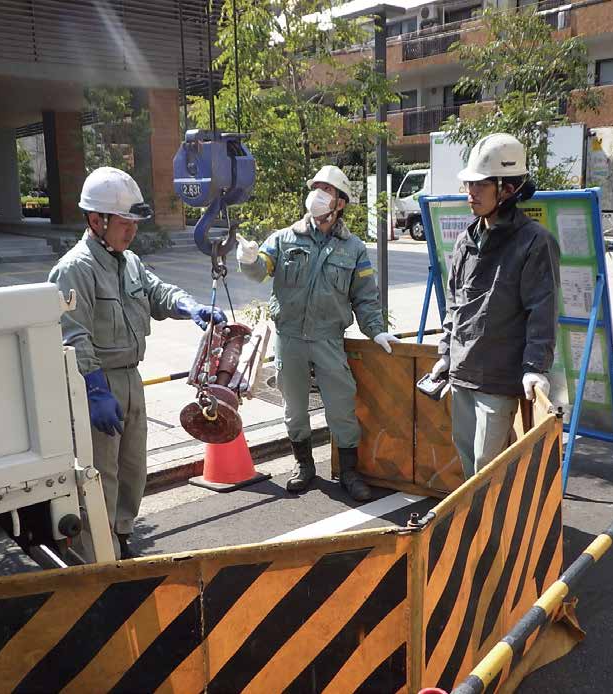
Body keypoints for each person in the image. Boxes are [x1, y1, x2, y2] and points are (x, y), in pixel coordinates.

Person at [49, 166, 225, 559]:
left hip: (131, 379)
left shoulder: (127, 261)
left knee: (132, 468)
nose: (132, 230)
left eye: (134, 222)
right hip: (98, 382)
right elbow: (72, 334)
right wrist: (94, 390)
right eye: (124, 222)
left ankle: (122, 534)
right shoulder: (76, 268)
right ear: (96, 220)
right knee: (101, 474)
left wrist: (187, 305)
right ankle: (97, 555)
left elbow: (156, 291)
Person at [236, 165, 399, 501]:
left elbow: (365, 297)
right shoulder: (284, 238)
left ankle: (349, 473)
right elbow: (259, 272)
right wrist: (248, 259)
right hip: (290, 338)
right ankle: (304, 465)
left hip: (328, 339)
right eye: (316, 187)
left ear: (340, 202)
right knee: (294, 408)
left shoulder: (352, 248)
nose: (318, 195)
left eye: (327, 190)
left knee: (341, 406)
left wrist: (377, 332)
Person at [430, 134, 560, 478]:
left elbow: (542, 310)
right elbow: (455, 304)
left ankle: (494, 530)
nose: (469, 193)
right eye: (468, 185)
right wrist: (446, 354)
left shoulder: (535, 242)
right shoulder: (465, 240)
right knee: (468, 465)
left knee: (488, 469)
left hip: (499, 379)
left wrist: (535, 367)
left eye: (479, 185)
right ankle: (477, 526)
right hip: (462, 374)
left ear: (507, 188)